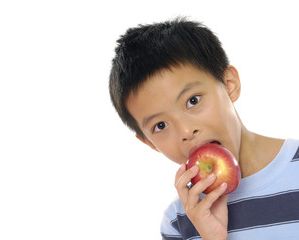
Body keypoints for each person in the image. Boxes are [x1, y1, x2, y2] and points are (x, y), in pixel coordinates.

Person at [108, 17, 299, 239]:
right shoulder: (179, 222)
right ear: (150, 143)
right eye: (160, 125)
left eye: (193, 100)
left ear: (229, 85)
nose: (186, 131)